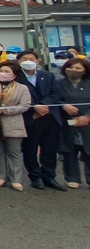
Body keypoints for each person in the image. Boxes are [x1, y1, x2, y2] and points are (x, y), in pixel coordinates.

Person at [15, 50, 64, 191]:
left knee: (49, 149)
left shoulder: (47, 75)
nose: (28, 61)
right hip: (29, 117)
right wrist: (34, 108)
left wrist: (43, 105)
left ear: (38, 61)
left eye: (32, 58)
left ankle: (49, 176)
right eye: (24, 59)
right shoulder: (16, 77)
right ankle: (35, 176)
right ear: (19, 62)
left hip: (49, 116)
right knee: (30, 149)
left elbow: (56, 93)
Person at [0, 61, 31, 191]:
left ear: (14, 75)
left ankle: (16, 179)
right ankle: (1, 176)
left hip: (13, 122)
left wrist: (5, 110)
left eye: (7, 71)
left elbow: (25, 106)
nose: (3, 74)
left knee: (14, 152)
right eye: (1, 71)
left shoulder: (22, 88)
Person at [54, 57, 90, 189]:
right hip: (66, 122)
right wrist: (64, 105)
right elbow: (53, 99)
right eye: (70, 67)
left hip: (87, 122)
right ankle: (72, 178)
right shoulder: (58, 83)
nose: (73, 70)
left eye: (77, 68)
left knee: (88, 151)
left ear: (85, 70)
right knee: (69, 151)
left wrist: (87, 116)